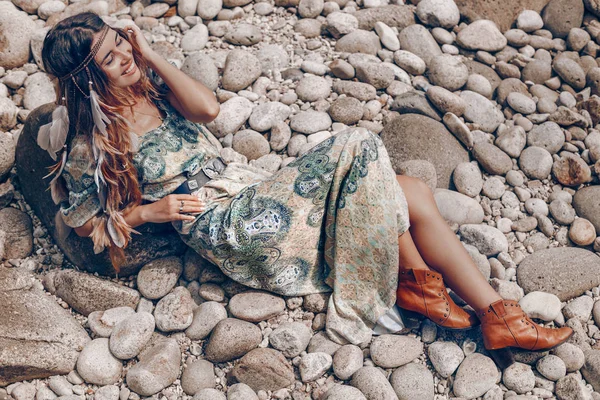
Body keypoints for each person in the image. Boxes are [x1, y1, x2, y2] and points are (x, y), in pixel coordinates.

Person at [39, 12, 572, 368]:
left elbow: (207, 109)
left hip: (244, 189)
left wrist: (149, 53)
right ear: (86, 77)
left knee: (410, 191)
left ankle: (496, 314)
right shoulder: (92, 141)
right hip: (229, 227)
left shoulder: (150, 83)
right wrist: (153, 211)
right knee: (360, 145)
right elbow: (84, 223)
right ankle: (416, 285)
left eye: (120, 44)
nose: (125, 59)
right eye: (111, 58)